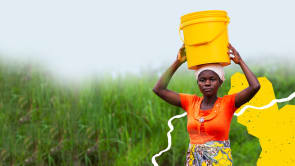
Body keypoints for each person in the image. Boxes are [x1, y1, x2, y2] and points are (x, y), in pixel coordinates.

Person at [152, 43, 260, 165]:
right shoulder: (191, 102)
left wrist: (240, 61)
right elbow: (159, 90)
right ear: (198, 83)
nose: (207, 83)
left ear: (220, 82)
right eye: (202, 80)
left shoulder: (228, 103)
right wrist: (178, 62)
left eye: (212, 79)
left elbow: (255, 86)